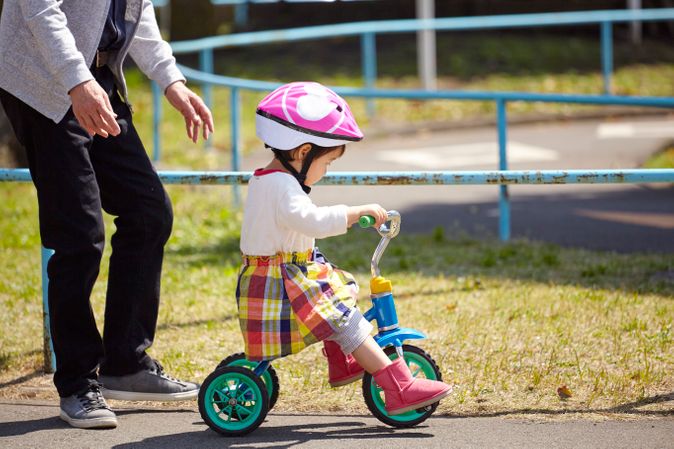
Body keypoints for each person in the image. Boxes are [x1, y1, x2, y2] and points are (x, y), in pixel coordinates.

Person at [0, 0, 214, 429]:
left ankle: (125, 363)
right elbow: (38, 9)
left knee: (148, 211)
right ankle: (77, 382)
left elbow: (138, 10)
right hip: (43, 81)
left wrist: (170, 80)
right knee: (79, 234)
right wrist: (76, 81)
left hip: (95, 78)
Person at [238, 81, 452, 416]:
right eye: (328, 162)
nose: (325, 172)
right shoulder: (281, 185)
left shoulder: (270, 179)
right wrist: (355, 213)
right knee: (346, 319)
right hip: (281, 281)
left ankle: (342, 363)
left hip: (287, 273)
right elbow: (311, 221)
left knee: (342, 291)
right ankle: (399, 389)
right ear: (302, 151)